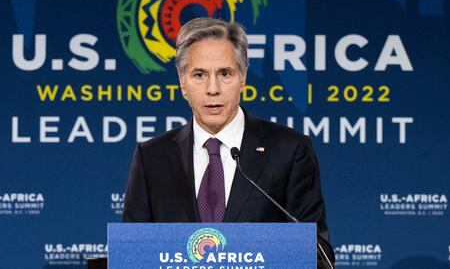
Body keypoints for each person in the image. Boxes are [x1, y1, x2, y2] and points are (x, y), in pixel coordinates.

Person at [123, 17, 334, 263]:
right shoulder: (152, 158)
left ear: (242, 78)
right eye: (199, 75)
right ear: (182, 82)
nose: (213, 88)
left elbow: (319, 254)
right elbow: (131, 256)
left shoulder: (289, 151)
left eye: (225, 73)